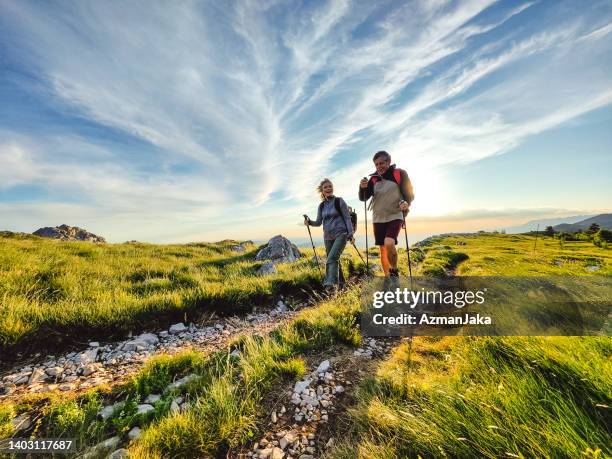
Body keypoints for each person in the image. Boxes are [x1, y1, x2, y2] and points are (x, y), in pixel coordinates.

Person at [358, 151, 414, 282]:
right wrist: (362, 188)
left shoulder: (399, 174)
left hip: (395, 214)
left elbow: (409, 193)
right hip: (378, 218)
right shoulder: (373, 179)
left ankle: (394, 270)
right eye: (376, 164)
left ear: (389, 162)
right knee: (383, 250)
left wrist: (407, 203)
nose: (379, 166)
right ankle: (388, 279)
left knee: (389, 242)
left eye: (382, 163)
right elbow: (363, 198)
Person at [304, 178, 354, 291]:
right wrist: (309, 222)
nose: (328, 188)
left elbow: (347, 218)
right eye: (325, 187)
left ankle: (330, 285)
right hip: (328, 237)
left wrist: (350, 234)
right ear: (322, 190)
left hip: (341, 234)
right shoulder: (321, 206)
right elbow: (318, 222)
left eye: (330, 186)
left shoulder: (339, 201)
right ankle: (342, 285)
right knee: (335, 259)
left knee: (331, 258)